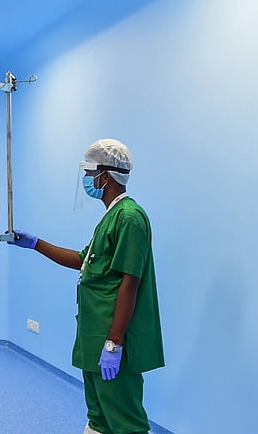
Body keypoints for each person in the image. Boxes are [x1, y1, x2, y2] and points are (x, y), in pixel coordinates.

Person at [8, 139, 164, 434]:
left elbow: (130, 282)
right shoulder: (110, 217)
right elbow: (83, 260)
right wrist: (35, 244)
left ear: (105, 176)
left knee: (126, 421)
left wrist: (114, 343)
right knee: (98, 417)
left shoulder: (129, 218)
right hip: (94, 333)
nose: (87, 179)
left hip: (111, 337)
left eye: (90, 172)